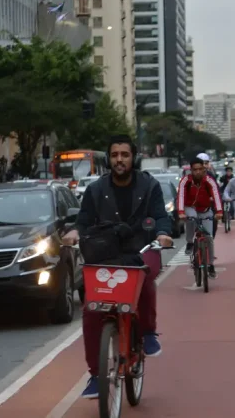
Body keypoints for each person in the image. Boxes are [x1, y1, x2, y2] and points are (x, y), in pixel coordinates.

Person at [61, 135, 174, 400]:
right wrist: (75, 232)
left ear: (133, 157)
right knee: (91, 309)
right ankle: (96, 374)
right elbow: (84, 220)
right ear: (108, 159)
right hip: (106, 254)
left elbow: (160, 216)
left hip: (142, 249)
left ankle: (147, 333)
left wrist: (163, 234)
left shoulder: (149, 186)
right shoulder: (96, 189)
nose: (119, 160)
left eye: (124, 154)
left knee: (144, 278)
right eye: (114, 155)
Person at [177, 157, 223, 277]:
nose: (197, 172)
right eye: (195, 170)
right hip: (190, 207)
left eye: (200, 169)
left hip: (205, 210)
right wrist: (181, 212)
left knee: (209, 237)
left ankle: (211, 264)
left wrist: (219, 212)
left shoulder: (209, 180)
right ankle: (189, 242)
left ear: (204, 169)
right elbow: (181, 196)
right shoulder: (185, 181)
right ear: (191, 170)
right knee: (191, 218)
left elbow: (216, 196)